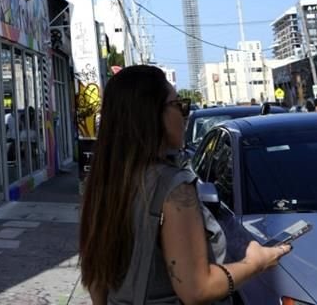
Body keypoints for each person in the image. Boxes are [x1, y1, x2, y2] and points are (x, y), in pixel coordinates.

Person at [79, 66, 290, 304]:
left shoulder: (104, 182)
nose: (184, 115)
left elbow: (97, 279)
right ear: (152, 114)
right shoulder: (173, 186)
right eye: (178, 105)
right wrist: (255, 263)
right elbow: (197, 289)